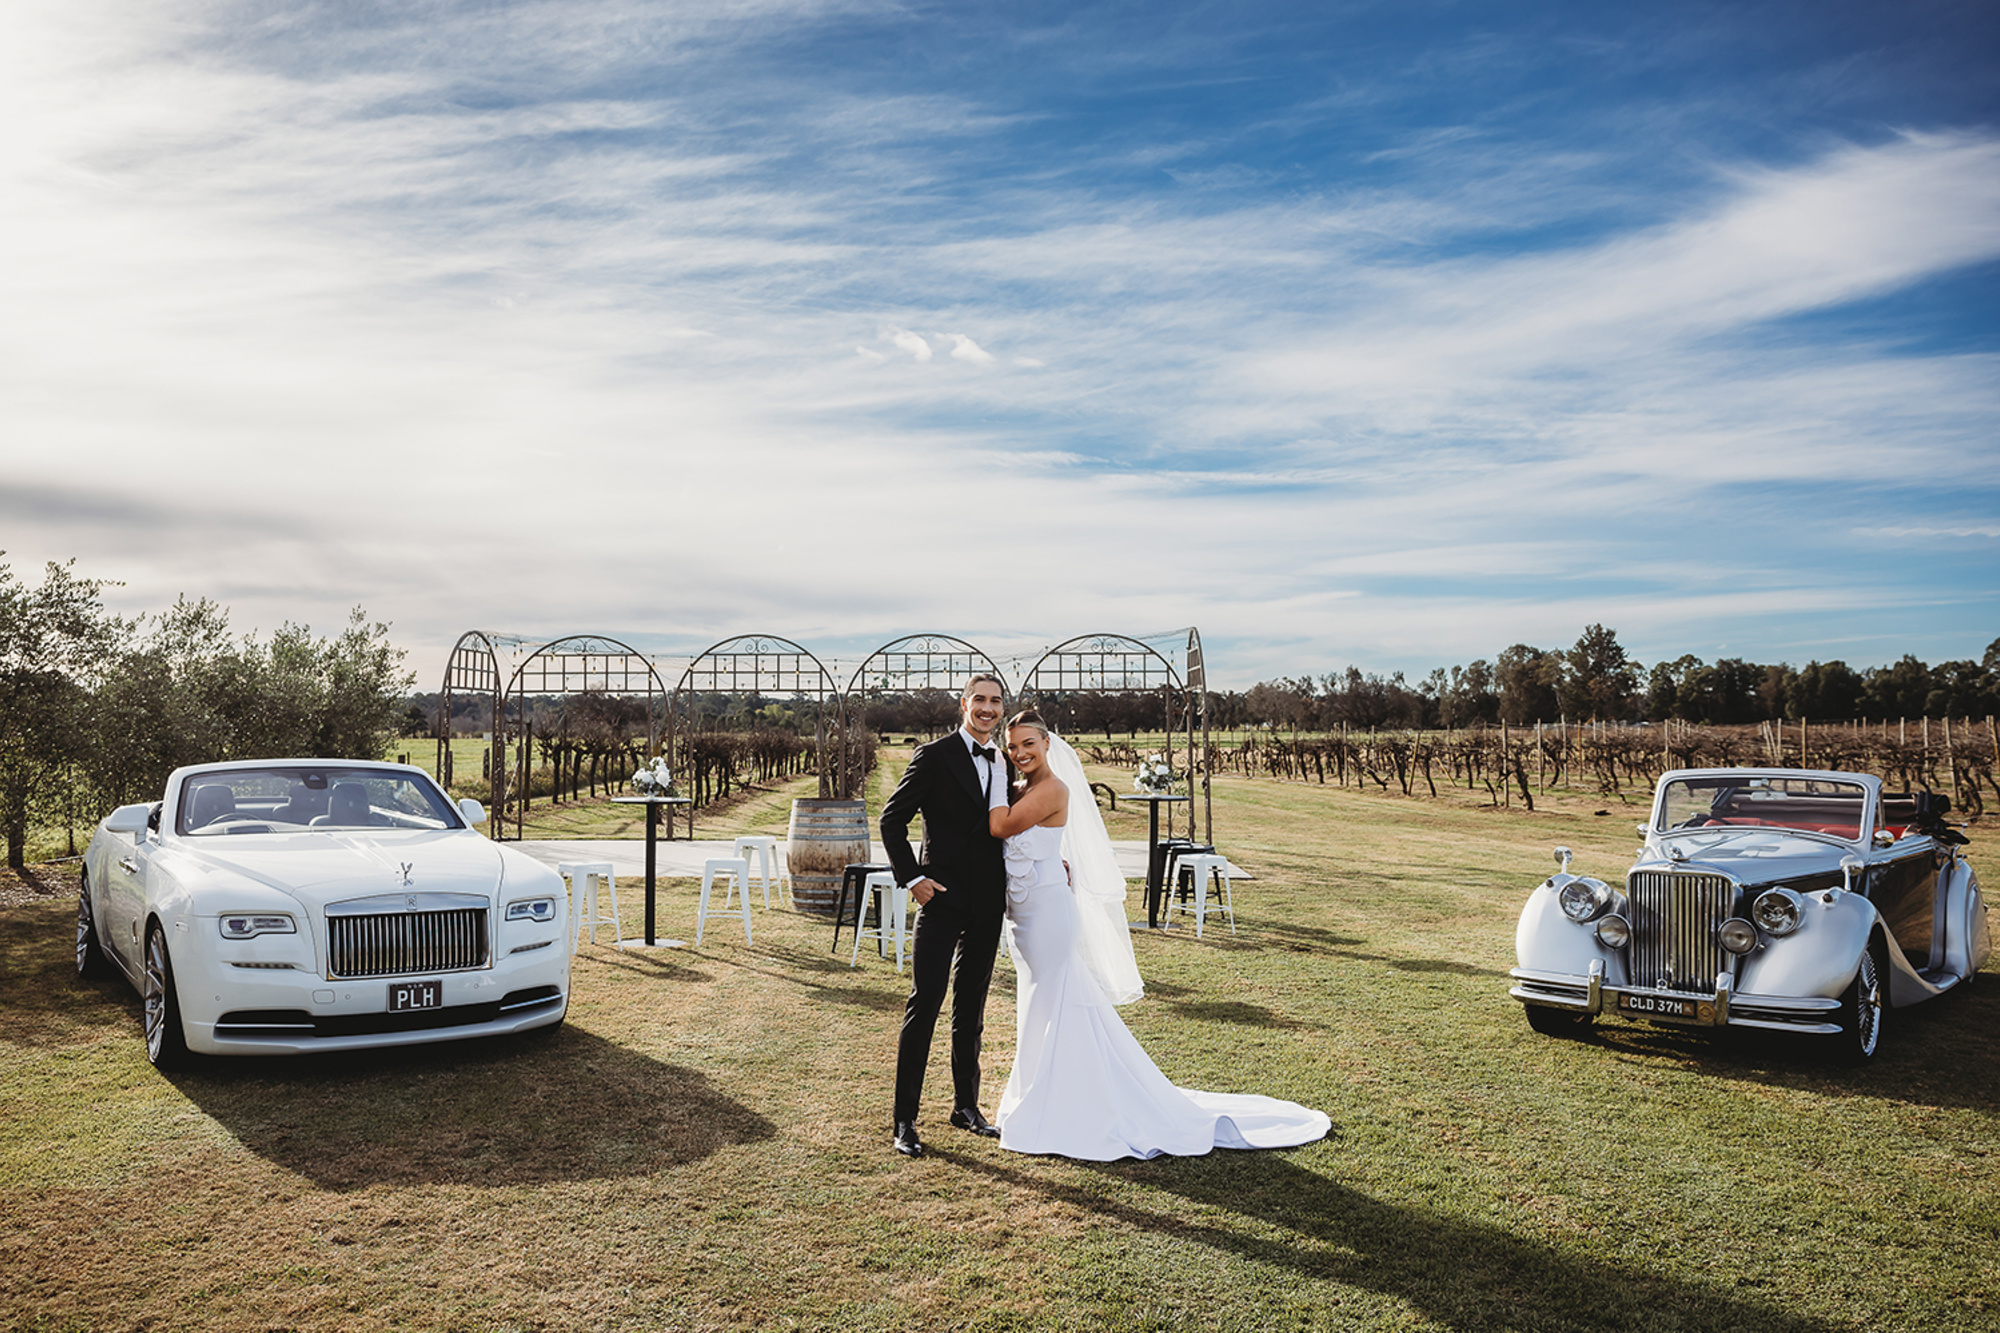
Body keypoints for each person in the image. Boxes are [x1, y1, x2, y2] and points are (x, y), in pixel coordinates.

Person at [986, 709, 1331, 1161]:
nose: (1019, 753)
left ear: (1047, 743)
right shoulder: (1020, 789)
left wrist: (991, 773)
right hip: (1024, 915)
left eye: (1027, 743)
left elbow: (1001, 827)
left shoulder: (1053, 787)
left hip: (1048, 913)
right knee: (1039, 1004)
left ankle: (1062, 1105)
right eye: (1011, 747)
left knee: (1056, 997)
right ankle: (1044, 1091)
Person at [878, 673, 1011, 1159]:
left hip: (987, 902)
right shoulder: (933, 756)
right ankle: (904, 1121)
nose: (988, 709)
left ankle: (966, 1107)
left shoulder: (1005, 759)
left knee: (970, 1008)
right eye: (980, 699)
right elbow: (892, 819)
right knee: (925, 1005)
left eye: (996, 702)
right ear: (964, 704)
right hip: (940, 900)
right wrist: (913, 879)